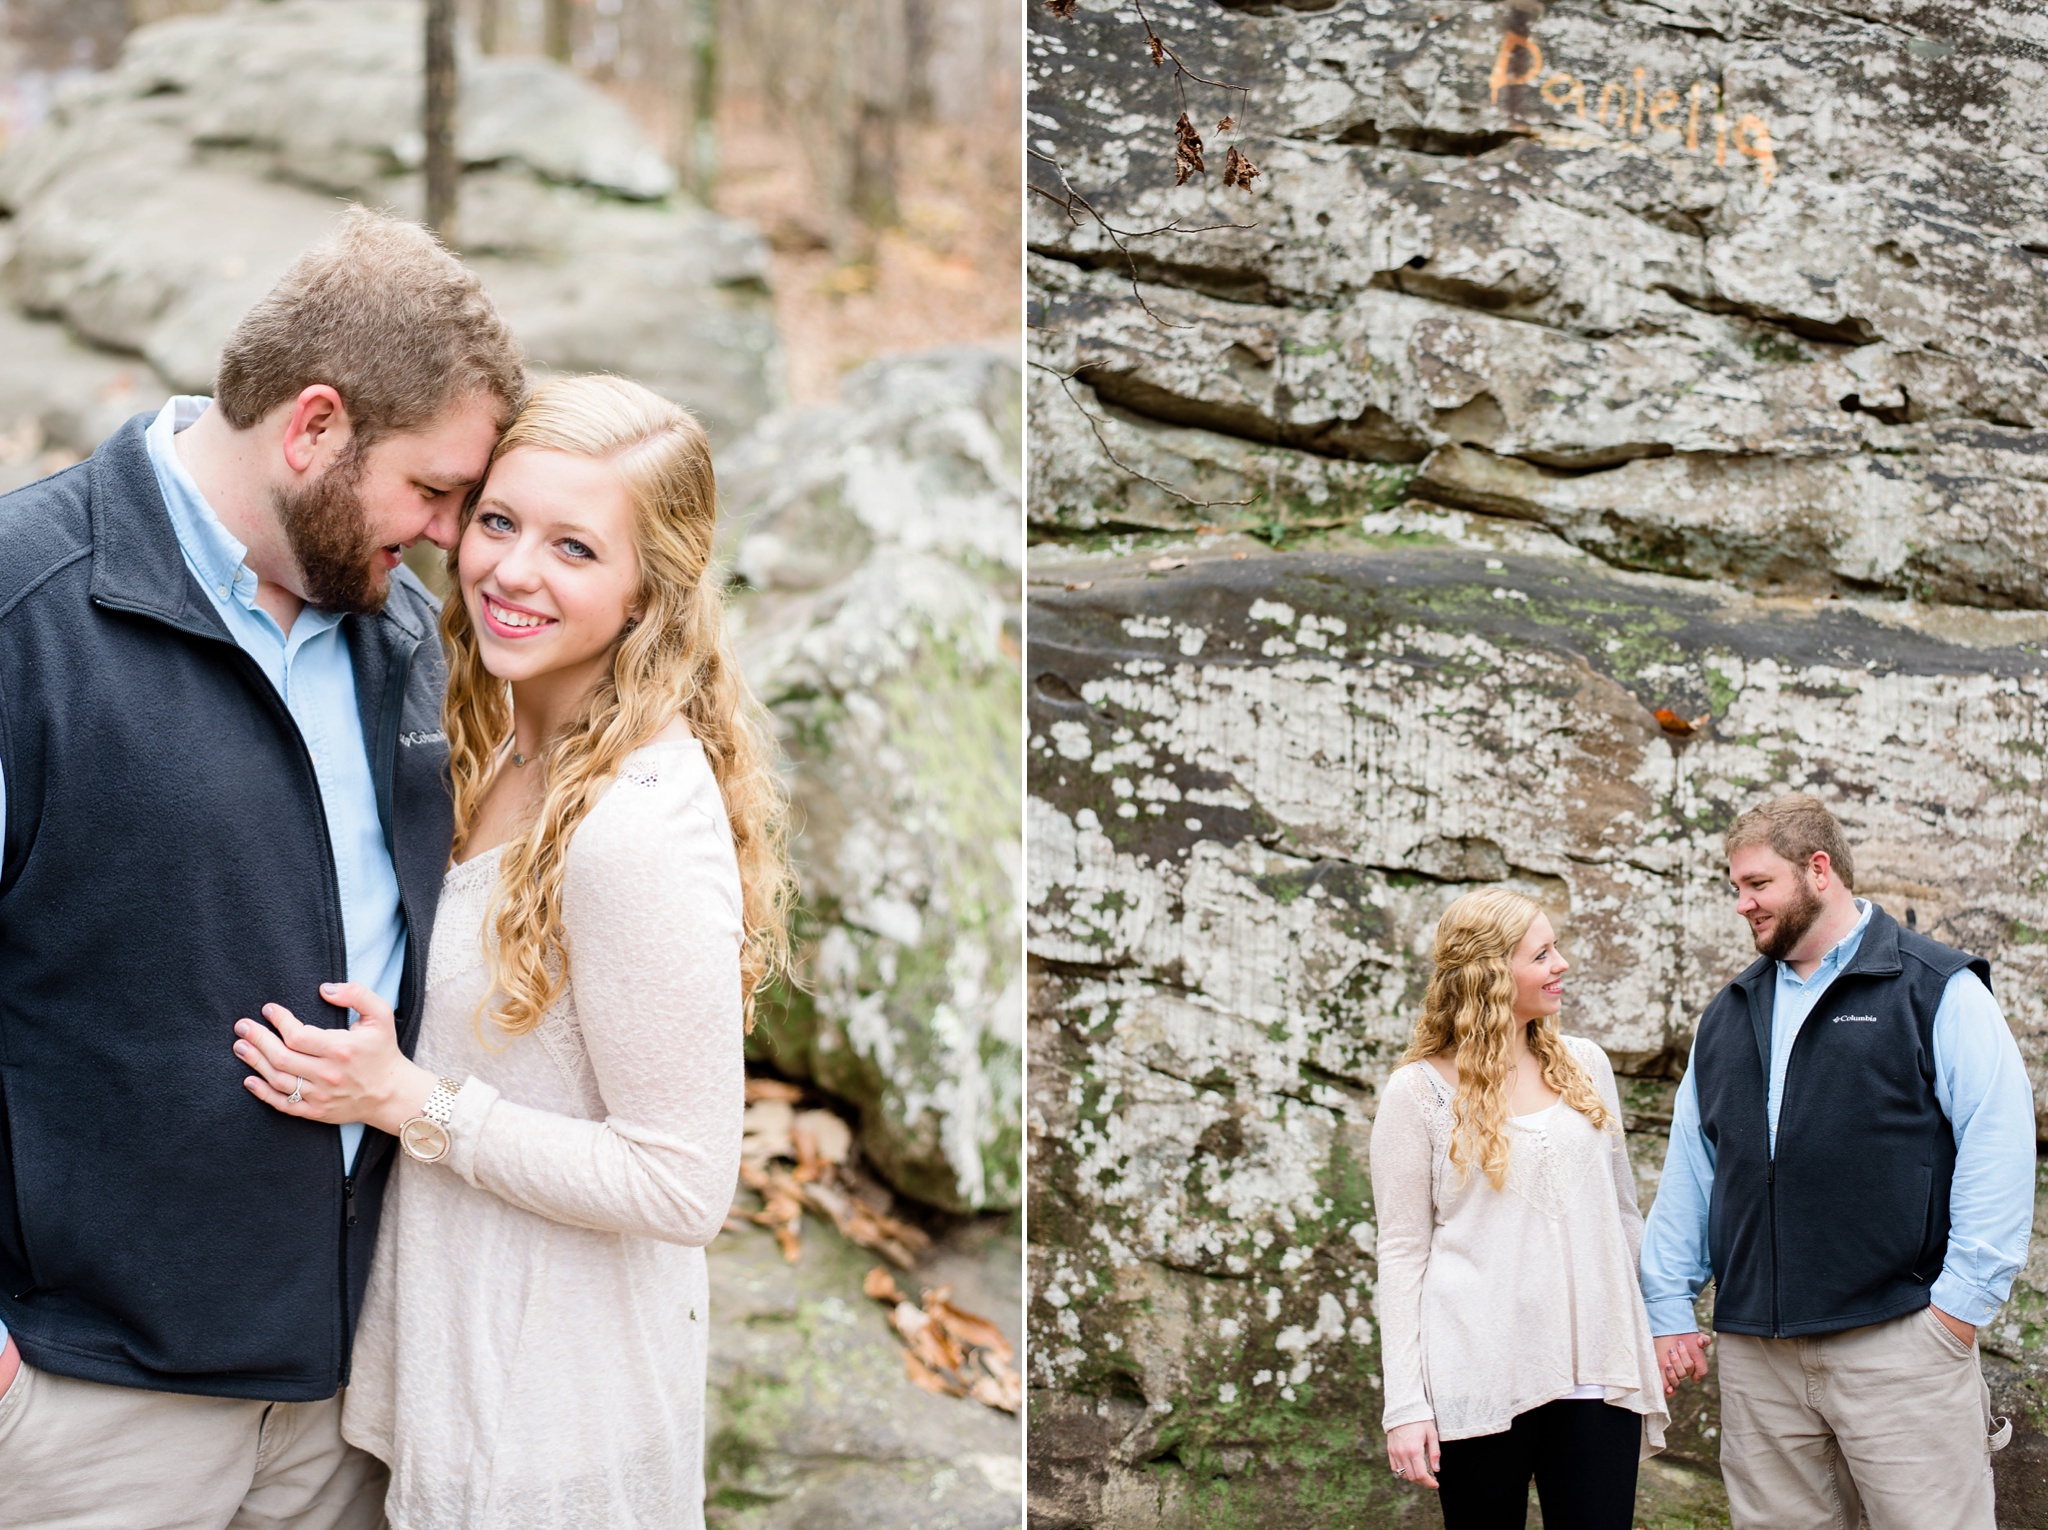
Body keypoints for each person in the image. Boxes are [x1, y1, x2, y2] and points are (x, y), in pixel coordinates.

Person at [0, 208, 524, 1529]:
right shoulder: (25, 609)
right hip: (92, 1404)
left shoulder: (396, 627)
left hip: (344, 1400)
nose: (456, 538)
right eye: (436, 490)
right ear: (314, 427)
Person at [226, 373, 793, 1528]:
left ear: (648, 593)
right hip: (446, 1376)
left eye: (575, 548)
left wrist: (407, 1101)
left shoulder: (631, 823)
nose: (512, 571)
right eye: (498, 521)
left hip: (552, 1429)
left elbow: (683, 1182)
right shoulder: (489, 739)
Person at [1642, 793, 2035, 1530]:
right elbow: (1694, 1166)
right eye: (1736, 888)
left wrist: (1957, 1313)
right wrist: (1668, 1302)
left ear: (1818, 870)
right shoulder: (1728, 1013)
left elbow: (1999, 1140)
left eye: (1757, 884)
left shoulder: (1934, 987)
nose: (1742, 904)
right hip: (1759, 1356)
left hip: (1901, 1343)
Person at [1372, 887, 1667, 1529]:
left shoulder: (1586, 1066)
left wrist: (1659, 1325)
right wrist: (1406, 1404)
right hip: (1478, 1374)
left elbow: (1622, 1216)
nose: (1561, 963)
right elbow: (1401, 1254)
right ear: (1490, 975)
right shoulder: (1416, 1093)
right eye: (1542, 953)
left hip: (1595, 1374)